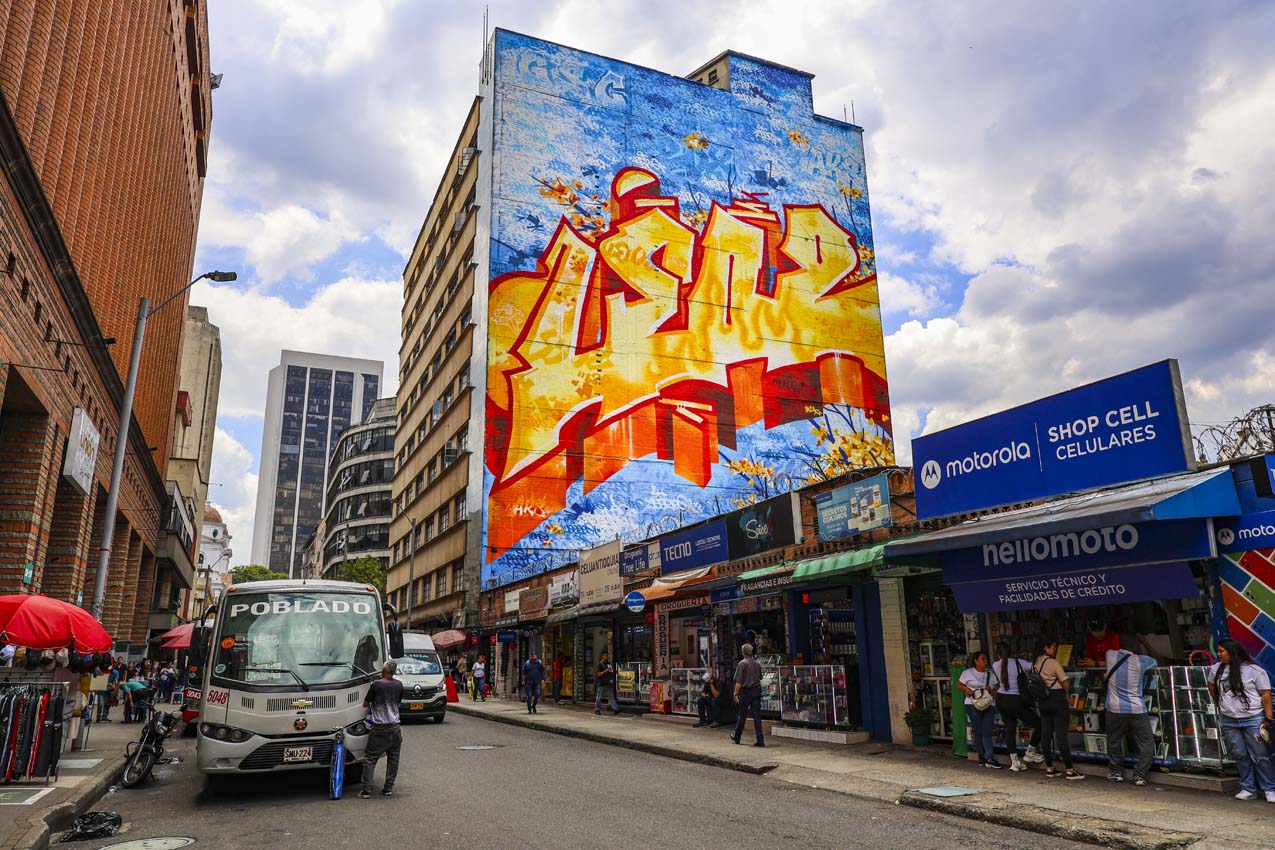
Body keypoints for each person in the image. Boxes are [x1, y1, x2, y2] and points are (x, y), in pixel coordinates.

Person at [1208, 639, 1275, 802]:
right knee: (1239, 754)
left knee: (1260, 755)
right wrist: (1222, 705)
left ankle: (1269, 788)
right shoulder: (1216, 669)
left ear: (1232, 652)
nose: (1219, 654)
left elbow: (1265, 694)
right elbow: (1211, 687)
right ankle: (1248, 788)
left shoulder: (1254, 670)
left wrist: (1268, 717)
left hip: (1253, 717)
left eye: (1222, 651)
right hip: (1229, 718)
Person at [1104, 642, 1157, 786]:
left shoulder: (1110, 655)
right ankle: (1140, 775)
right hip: (1137, 708)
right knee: (1146, 741)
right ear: (1136, 647)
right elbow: (1156, 660)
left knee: (1114, 740)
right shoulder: (1143, 660)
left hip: (1114, 708)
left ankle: (1116, 772)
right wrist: (1145, 643)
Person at [1034, 640, 1083, 779]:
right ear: (1046, 648)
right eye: (1053, 647)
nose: (1054, 650)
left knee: (1046, 734)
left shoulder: (1035, 663)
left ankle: (1049, 767)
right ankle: (1069, 769)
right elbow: (1065, 681)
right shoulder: (1053, 662)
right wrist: (1067, 694)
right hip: (1057, 699)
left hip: (1043, 700)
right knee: (1061, 735)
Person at [993, 643, 1043, 771]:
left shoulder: (995, 665)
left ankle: (1015, 762)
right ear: (1011, 652)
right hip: (1015, 700)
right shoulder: (1019, 662)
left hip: (1001, 699)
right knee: (1039, 724)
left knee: (1010, 729)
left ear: (998, 654)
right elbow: (1037, 668)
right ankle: (1030, 753)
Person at [360, 661, 404, 799]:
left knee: (370, 759)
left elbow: (365, 704)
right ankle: (388, 788)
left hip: (379, 728)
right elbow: (398, 702)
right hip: (395, 728)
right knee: (393, 758)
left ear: (384, 669)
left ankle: (367, 790)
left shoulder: (376, 685)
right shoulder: (399, 685)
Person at [958, 651, 1002, 768]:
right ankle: (981, 757)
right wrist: (967, 689)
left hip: (988, 704)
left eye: (986, 659)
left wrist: (991, 689)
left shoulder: (990, 675)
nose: (985, 661)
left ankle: (990, 758)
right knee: (978, 730)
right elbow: (959, 685)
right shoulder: (967, 673)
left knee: (987, 730)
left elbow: (996, 689)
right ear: (976, 661)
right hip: (972, 704)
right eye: (983, 659)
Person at [730, 644, 765, 747]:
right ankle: (760, 739)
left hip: (746, 692)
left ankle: (737, 736)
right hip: (756, 690)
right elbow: (760, 678)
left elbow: (739, 682)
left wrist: (735, 693)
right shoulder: (757, 664)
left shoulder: (742, 664)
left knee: (742, 715)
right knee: (757, 715)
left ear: (743, 652)